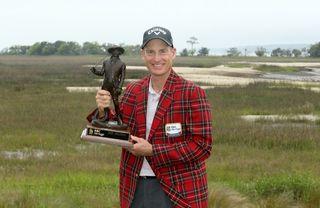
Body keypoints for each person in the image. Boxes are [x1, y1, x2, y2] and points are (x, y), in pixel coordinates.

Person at [87, 26, 213, 208]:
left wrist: (153, 150)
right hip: (135, 188)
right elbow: (120, 128)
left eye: (163, 51)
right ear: (142, 54)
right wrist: (102, 111)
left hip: (178, 192)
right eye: (150, 52)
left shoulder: (192, 93)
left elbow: (202, 146)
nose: (156, 58)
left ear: (173, 53)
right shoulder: (133, 91)